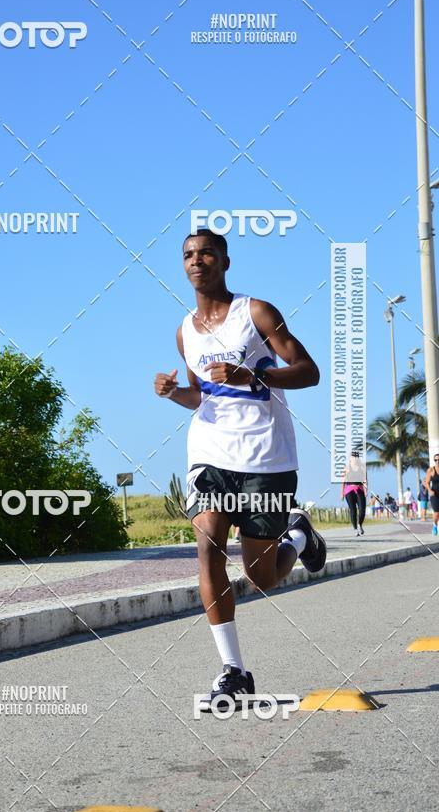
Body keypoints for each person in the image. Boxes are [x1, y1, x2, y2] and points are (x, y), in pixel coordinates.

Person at [154, 229, 325, 711]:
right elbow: (201, 395)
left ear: (225, 260)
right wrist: (172, 394)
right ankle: (234, 672)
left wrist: (258, 375)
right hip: (210, 452)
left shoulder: (256, 313)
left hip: (266, 458)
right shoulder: (184, 330)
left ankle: (297, 538)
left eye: (206, 252)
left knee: (262, 576)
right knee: (207, 543)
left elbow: (309, 370)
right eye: (188, 255)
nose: (197, 261)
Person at [341, 459, 367, 536]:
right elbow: (343, 481)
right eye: (352, 457)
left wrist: (365, 490)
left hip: (360, 489)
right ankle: (355, 529)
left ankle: (359, 524)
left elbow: (365, 480)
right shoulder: (346, 468)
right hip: (349, 490)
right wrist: (341, 493)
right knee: (353, 510)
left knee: (362, 509)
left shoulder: (362, 467)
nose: (354, 458)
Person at [424, 455, 439, 536]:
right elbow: (427, 482)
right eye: (435, 460)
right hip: (435, 494)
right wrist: (430, 491)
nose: (437, 461)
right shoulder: (431, 470)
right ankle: (435, 526)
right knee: (436, 513)